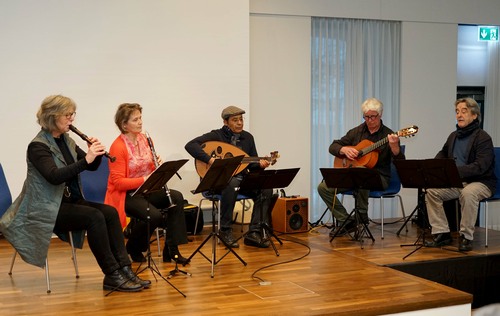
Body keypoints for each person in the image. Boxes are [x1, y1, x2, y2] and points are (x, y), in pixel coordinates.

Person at [0, 95, 149, 292]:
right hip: (46, 207)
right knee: (95, 217)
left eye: (72, 114)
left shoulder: (66, 140)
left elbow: (90, 166)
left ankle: (125, 269)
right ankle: (112, 274)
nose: (72, 119)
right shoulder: (38, 146)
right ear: (53, 117)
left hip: (70, 202)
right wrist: (86, 160)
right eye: (67, 115)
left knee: (110, 212)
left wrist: (93, 154)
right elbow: (54, 176)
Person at [105, 103, 190, 264]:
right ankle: (134, 247)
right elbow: (118, 183)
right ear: (124, 125)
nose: (140, 122)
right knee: (154, 215)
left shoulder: (144, 139)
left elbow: (148, 166)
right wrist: (144, 179)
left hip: (146, 189)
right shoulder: (118, 147)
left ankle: (172, 249)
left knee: (177, 198)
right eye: (135, 119)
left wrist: (157, 163)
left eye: (140, 118)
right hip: (126, 194)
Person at [185, 105, 276, 248]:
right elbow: (190, 145)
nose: (240, 123)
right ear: (225, 122)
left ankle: (254, 233)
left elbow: (249, 164)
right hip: (219, 183)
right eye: (235, 120)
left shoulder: (248, 138)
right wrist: (210, 160)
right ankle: (225, 230)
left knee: (266, 189)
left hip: (242, 181)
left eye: (241, 119)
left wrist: (260, 164)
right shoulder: (217, 136)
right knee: (232, 183)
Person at [317, 98, 404, 237]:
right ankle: (346, 221)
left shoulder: (388, 135)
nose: (369, 120)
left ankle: (362, 215)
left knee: (363, 172)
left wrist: (395, 148)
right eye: (366, 117)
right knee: (323, 187)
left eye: (373, 116)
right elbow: (333, 146)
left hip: (379, 178)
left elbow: (401, 163)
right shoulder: (356, 132)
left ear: (380, 115)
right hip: (353, 177)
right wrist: (344, 150)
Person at [424, 98, 495, 252]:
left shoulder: (483, 138)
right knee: (431, 192)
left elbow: (480, 166)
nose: (459, 115)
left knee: (468, 193)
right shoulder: (453, 136)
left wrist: (454, 172)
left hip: (481, 182)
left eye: (464, 111)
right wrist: (434, 167)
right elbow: (443, 154)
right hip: (458, 182)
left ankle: (466, 236)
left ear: (475, 115)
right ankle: (442, 233)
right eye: (457, 111)